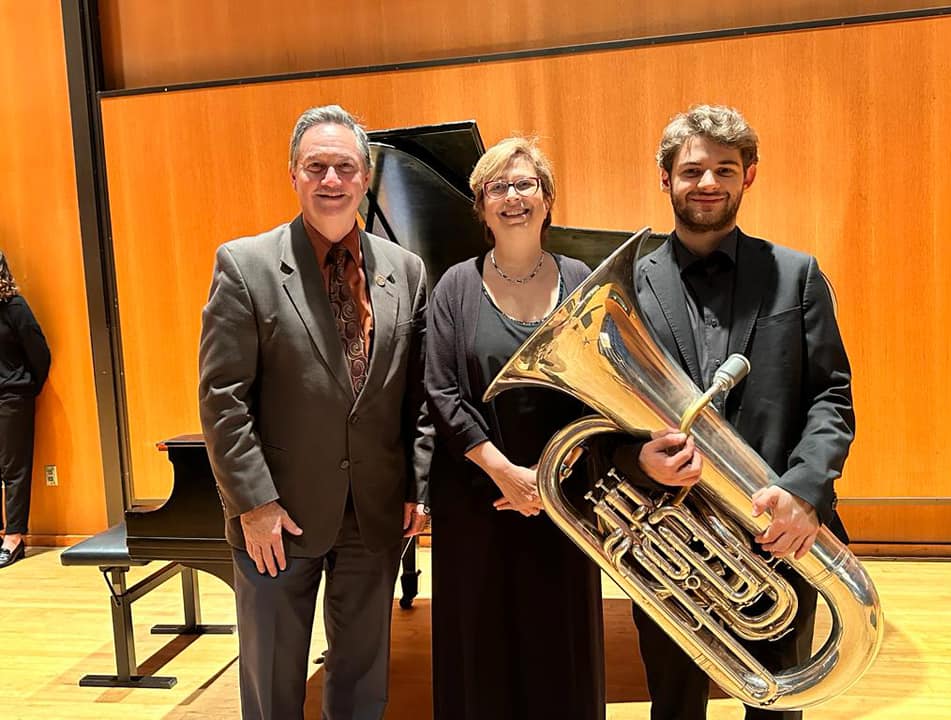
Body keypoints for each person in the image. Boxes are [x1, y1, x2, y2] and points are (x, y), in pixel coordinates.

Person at [615, 104, 854, 720]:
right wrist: (637, 461)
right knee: (673, 703)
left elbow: (830, 397)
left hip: (778, 527)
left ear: (749, 175)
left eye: (725, 169)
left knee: (776, 704)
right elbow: (600, 416)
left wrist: (804, 491)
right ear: (664, 177)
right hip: (667, 531)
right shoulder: (626, 284)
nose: (708, 183)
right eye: (692, 170)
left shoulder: (796, 275)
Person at [199, 105, 431, 720]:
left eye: (345, 167)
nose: (332, 180)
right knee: (273, 685)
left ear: (365, 177)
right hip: (278, 516)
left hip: (374, 513)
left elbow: (419, 396)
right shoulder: (244, 265)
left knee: (361, 682)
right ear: (294, 175)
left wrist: (417, 486)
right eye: (316, 166)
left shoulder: (406, 271)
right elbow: (222, 398)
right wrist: (254, 505)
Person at [425, 137, 604, 720]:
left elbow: (601, 393)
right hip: (477, 496)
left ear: (547, 199)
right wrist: (504, 472)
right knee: (480, 651)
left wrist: (547, 479)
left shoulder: (581, 280)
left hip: (563, 497)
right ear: (481, 207)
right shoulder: (454, 287)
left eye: (525, 184)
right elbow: (441, 392)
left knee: (560, 651)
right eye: (497, 187)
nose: (512, 197)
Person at [0, 251, 50, 568]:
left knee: (13, 470)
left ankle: (14, 537)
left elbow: (40, 353)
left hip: (11, 398)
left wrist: (25, 387)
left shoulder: (15, 308)